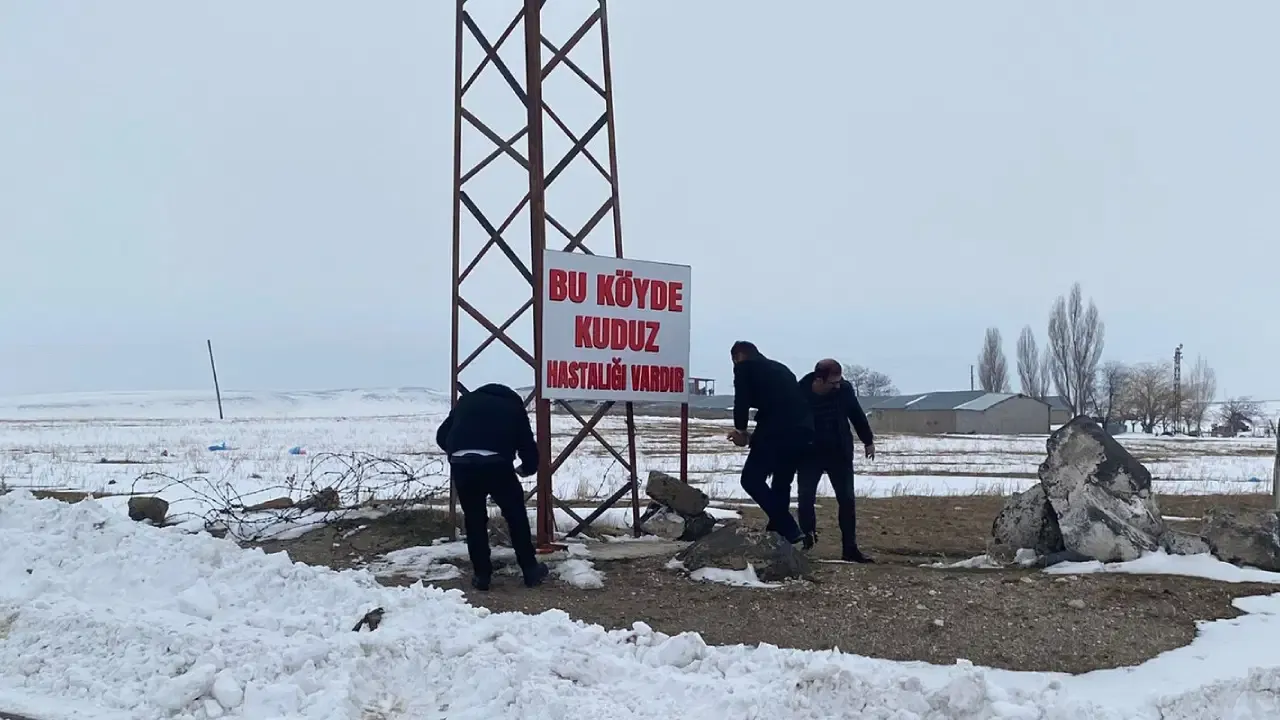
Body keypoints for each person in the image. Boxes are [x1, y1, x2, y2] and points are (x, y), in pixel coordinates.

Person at [435, 383, 550, 590]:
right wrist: (527, 468)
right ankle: (530, 570)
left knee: (474, 519)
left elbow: (441, 436)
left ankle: (482, 576)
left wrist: (459, 451)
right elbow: (527, 445)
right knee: (515, 515)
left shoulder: (466, 402)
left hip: (463, 464)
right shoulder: (513, 407)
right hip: (496, 464)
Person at [775, 358, 876, 563]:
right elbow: (786, 421)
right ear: (819, 380)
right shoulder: (800, 391)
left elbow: (856, 414)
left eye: (839, 381)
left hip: (839, 452)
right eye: (833, 382)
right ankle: (807, 538)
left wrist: (868, 441)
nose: (837, 386)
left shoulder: (845, 390)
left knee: (847, 500)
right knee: (806, 498)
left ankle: (850, 549)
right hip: (809, 453)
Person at [727, 340, 813, 547]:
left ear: (738, 357)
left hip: (775, 431)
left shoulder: (745, 368)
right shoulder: (781, 369)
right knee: (781, 483)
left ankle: (789, 528)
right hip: (802, 432)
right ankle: (779, 535)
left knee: (751, 479)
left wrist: (740, 430)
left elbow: (741, 400)